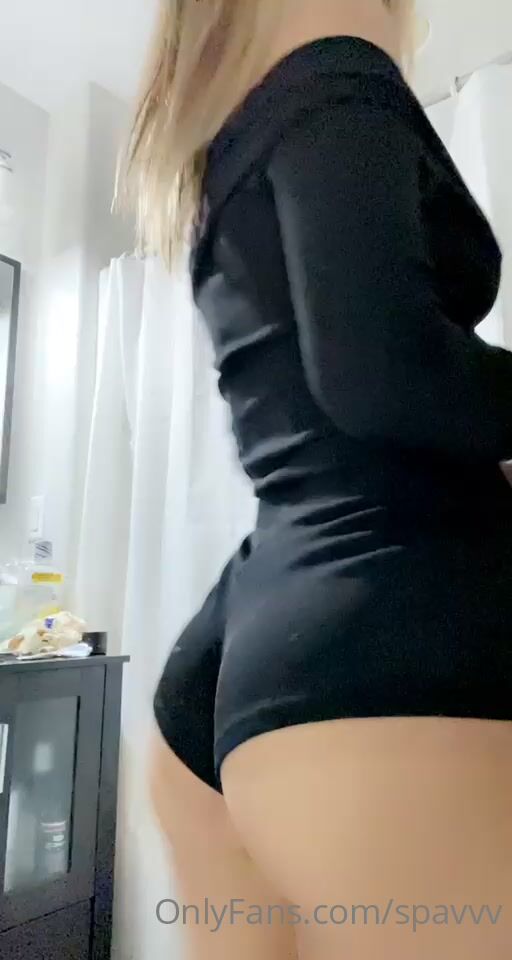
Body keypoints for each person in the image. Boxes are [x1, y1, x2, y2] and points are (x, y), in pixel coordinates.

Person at [122, 1, 512, 957]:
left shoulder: (242, 126)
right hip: (388, 646)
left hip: (249, 668)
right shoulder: (336, 73)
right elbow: (386, 373)